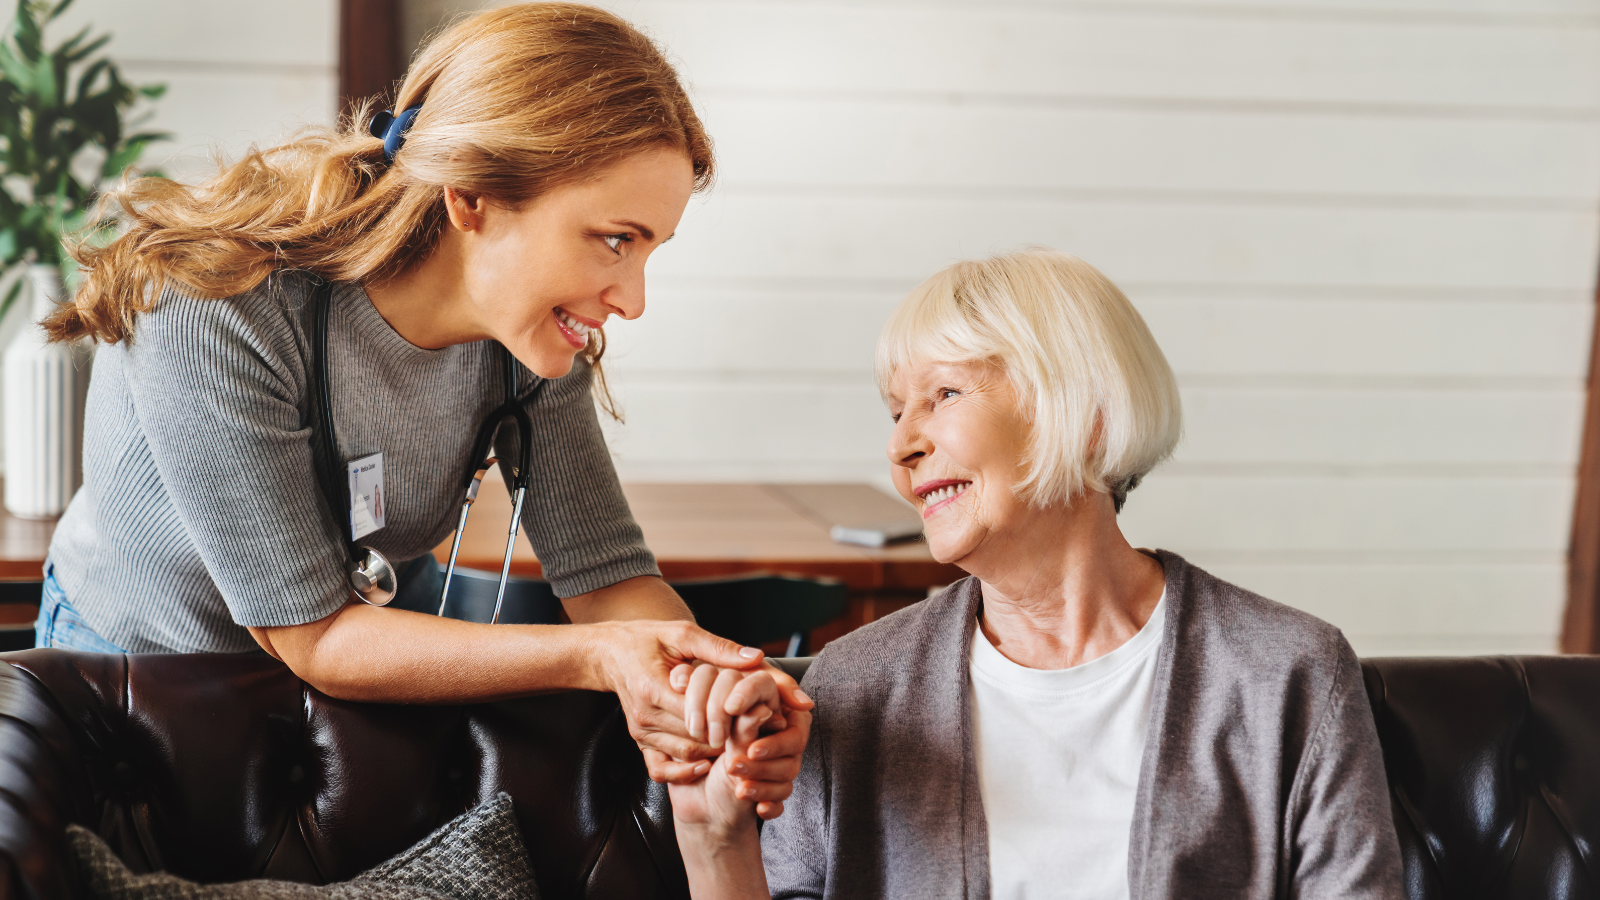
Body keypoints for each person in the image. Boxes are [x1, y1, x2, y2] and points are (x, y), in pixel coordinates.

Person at [35, 2, 809, 804]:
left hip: (350, 677)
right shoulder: (216, 305)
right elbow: (316, 636)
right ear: (471, 197)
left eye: (651, 248)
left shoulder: (530, 341)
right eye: (615, 239)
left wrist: (716, 690)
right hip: (135, 677)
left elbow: (609, 577)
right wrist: (597, 657)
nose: (635, 300)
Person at [668, 248, 1404, 898]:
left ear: (1085, 414)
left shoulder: (1287, 672)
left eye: (944, 395)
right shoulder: (854, 685)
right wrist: (714, 841)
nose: (901, 446)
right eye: (895, 412)